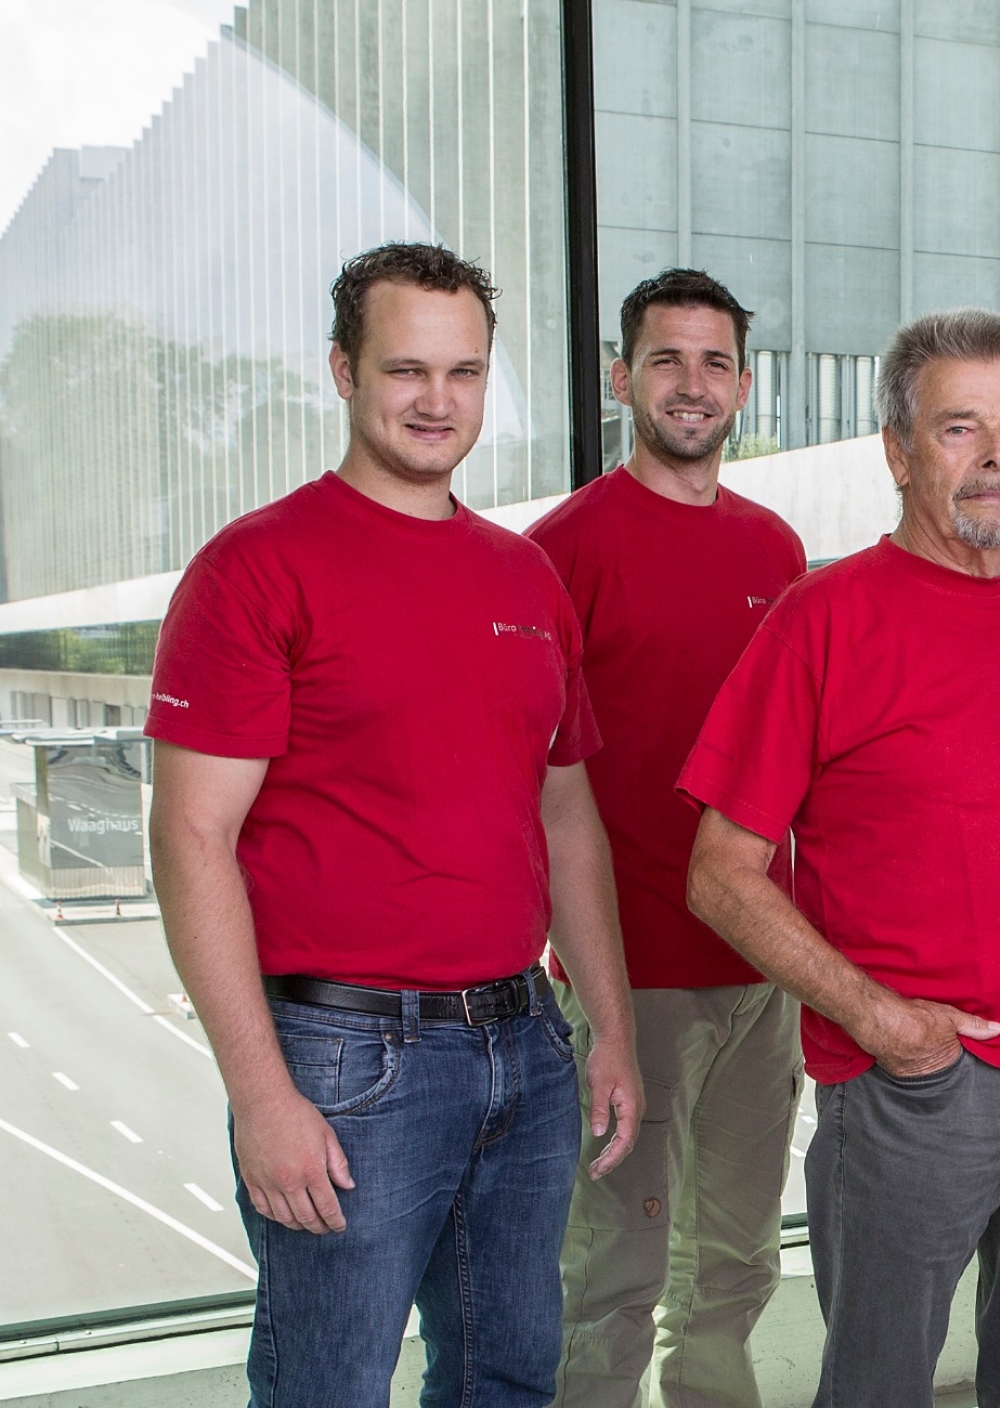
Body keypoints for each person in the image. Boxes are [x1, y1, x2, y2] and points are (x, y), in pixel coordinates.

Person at [147, 242, 643, 1408]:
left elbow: (567, 817)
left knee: (511, 1373)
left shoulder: (524, 579)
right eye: (406, 368)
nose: (436, 400)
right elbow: (189, 839)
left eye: (464, 372)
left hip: (522, 1041)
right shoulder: (256, 569)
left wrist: (606, 1027)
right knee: (329, 1385)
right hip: (343, 1058)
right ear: (342, 370)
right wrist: (265, 1096)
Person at [682, 308, 1000, 1407]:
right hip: (918, 1089)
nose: (995, 458)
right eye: (959, 429)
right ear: (898, 450)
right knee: (876, 1387)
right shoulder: (823, 619)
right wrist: (881, 1021)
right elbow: (718, 870)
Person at [528, 269, 807, 1408]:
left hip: (762, 968)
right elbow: (534, 785)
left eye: (713, 362)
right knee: (611, 1275)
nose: (691, 385)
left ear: (743, 382)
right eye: (665, 360)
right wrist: (585, 989)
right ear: (620, 377)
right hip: (629, 977)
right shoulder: (560, 549)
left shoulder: (777, 550)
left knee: (735, 1267)